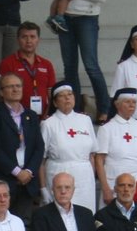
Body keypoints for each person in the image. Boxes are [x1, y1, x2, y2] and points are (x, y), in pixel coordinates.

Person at [55, 0, 114, 115]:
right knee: (69, 66)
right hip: (67, 15)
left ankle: (104, 108)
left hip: (87, 18)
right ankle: (74, 109)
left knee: (91, 65)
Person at [0, 73, 44, 223]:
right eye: (10, 86)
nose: (15, 89)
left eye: (18, 86)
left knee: (24, 226)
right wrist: (17, 172)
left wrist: (28, 172)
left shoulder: (31, 115)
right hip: (1, 180)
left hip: (27, 183)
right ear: (1, 92)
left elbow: (39, 147)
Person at [40, 83, 97, 212]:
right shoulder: (48, 124)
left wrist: (91, 178)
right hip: (59, 173)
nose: (67, 98)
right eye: (62, 96)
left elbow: (92, 155)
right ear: (55, 102)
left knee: (85, 215)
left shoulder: (85, 120)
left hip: (84, 177)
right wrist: (43, 188)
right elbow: (41, 160)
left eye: (70, 95)